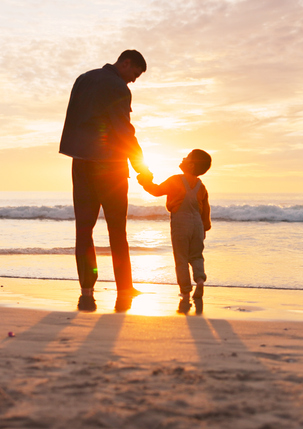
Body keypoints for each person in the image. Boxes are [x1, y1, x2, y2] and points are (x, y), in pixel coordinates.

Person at [59, 50, 151, 311]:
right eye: (134, 74)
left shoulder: (83, 79)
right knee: (116, 229)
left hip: (81, 163)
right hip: (110, 165)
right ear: (126, 63)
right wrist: (140, 165)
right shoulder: (117, 87)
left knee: (84, 228)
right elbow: (123, 130)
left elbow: (73, 120)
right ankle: (124, 287)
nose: (133, 81)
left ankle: (87, 288)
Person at [137, 149, 212, 300]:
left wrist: (144, 181)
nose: (183, 158)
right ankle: (200, 280)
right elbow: (206, 211)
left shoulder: (176, 180)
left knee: (181, 257)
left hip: (180, 222)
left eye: (187, 157)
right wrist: (204, 228)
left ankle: (185, 291)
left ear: (191, 166)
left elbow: (156, 191)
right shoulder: (201, 187)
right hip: (197, 224)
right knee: (197, 256)